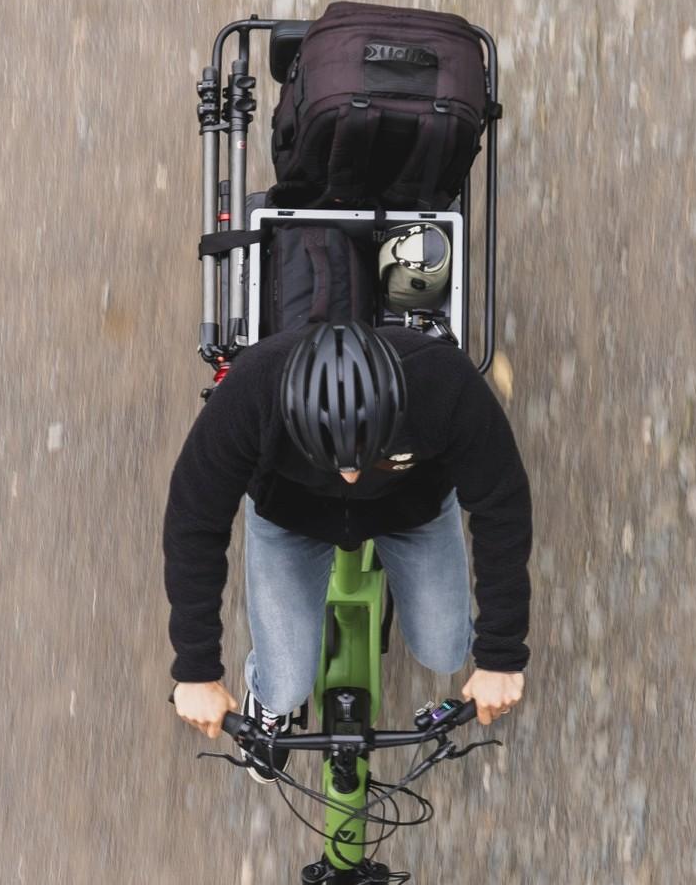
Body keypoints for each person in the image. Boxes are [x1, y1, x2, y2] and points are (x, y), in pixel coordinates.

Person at [165, 320, 532, 758]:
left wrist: (501, 656)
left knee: (447, 652)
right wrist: (196, 670)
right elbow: (194, 524)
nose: (351, 476)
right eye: (331, 460)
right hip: (290, 514)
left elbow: (502, 510)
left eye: (368, 454)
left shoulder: (446, 384)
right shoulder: (249, 393)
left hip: (412, 507)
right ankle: (265, 695)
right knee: (283, 690)